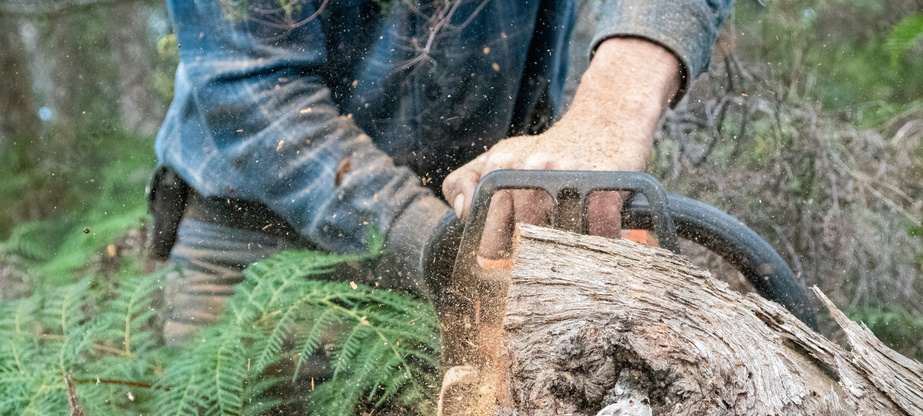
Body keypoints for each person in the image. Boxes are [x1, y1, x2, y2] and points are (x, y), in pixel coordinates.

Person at [150, 0, 734, 345]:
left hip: (472, 211)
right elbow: (252, 85)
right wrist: (442, 246)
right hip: (261, 244)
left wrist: (610, 113)